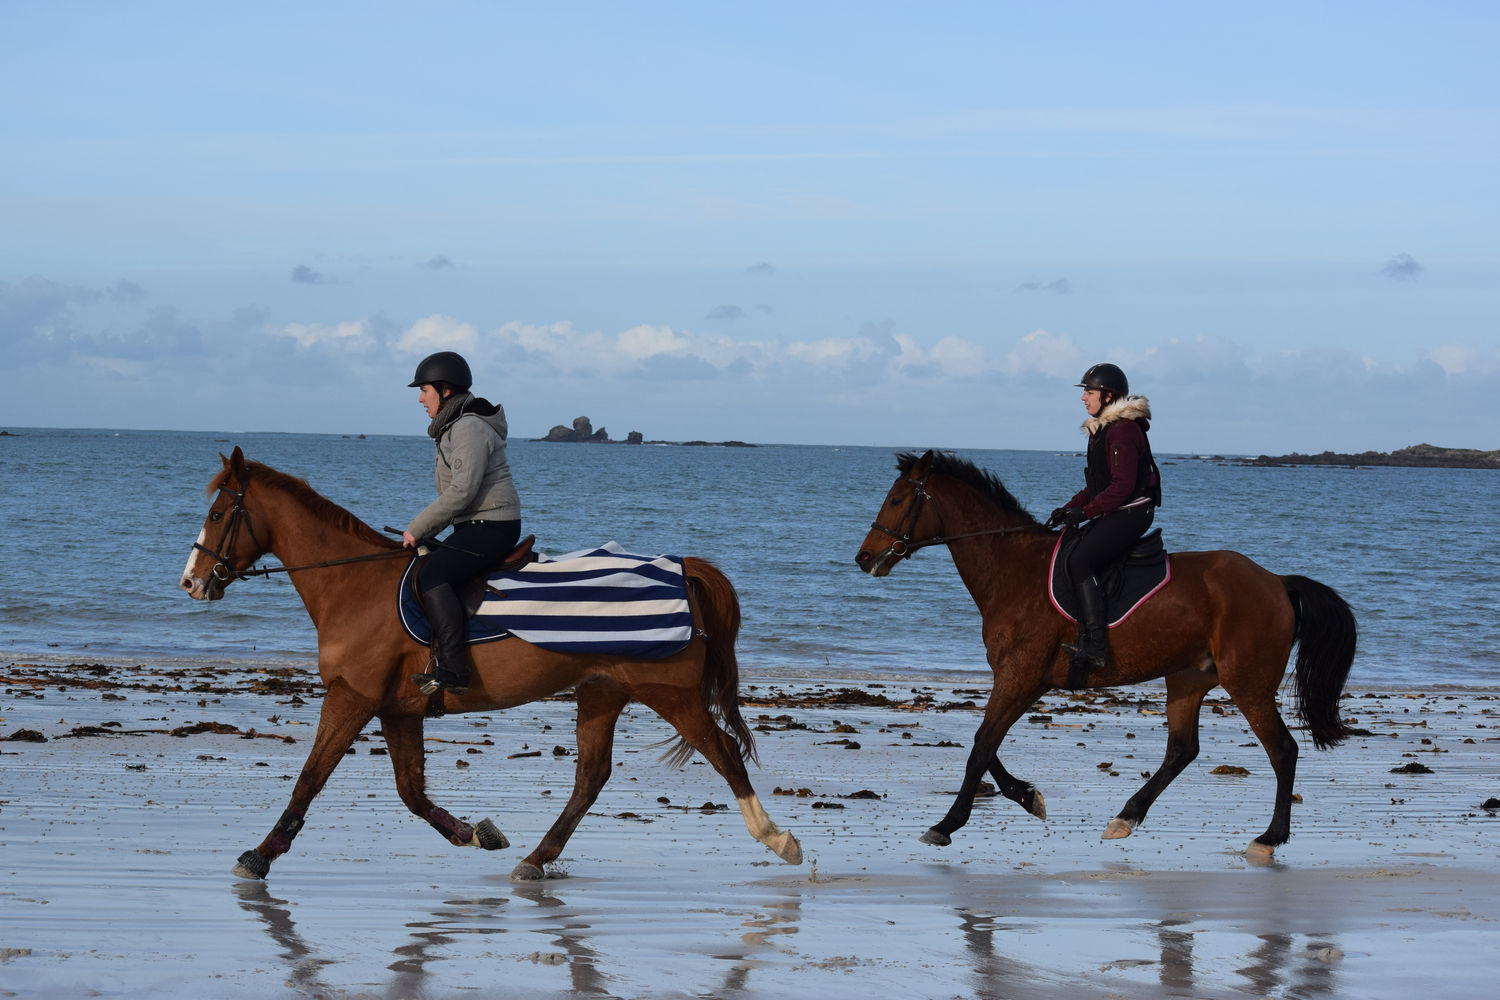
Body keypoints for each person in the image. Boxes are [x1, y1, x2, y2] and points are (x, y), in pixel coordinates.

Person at [403, 351, 522, 695]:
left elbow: (462, 491)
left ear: (445, 390)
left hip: (493, 525)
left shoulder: (469, 427)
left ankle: (454, 670)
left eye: (424, 390)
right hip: (473, 525)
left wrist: (418, 528)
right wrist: (425, 534)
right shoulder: (454, 427)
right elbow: (458, 500)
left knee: (433, 574)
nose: (420, 398)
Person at [1046, 363, 1161, 690]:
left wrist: (1087, 512)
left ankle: (1096, 646)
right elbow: (1098, 486)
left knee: (1081, 560)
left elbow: (1122, 488)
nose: (1083, 398)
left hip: (1133, 512)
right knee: (1069, 547)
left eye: (1089, 392)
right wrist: (1070, 509)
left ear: (1108, 396)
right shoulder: (1102, 430)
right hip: (1116, 509)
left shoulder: (1123, 430)